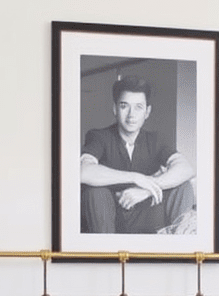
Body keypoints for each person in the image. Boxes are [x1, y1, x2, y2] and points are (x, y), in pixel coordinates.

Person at [80, 74, 195, 234]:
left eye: (138, 107)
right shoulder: (99, 136)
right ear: (115, 109)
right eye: (124, 106)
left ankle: (180, 250)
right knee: (94, 192)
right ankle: (104, 254)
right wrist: (136, 178)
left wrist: (146, 190)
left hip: (147, 214)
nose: (131, 115)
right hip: (110, 215)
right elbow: (83, 171)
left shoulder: (156, 139)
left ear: (147, 112)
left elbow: (186, 169)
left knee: (183, 186)